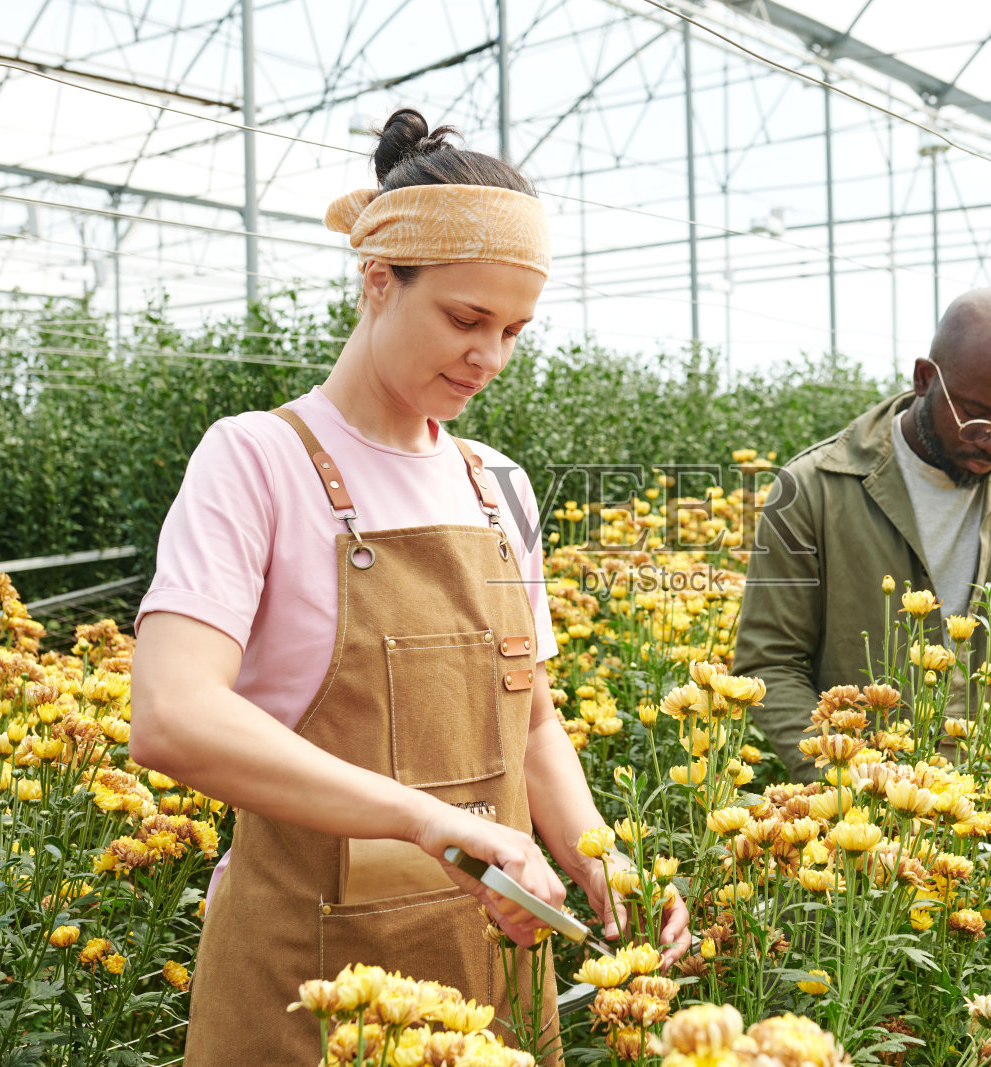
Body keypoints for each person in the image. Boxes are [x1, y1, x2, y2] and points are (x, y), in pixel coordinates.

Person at [129, 109, 688, 1066]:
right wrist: (423, 818)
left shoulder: (496, 484)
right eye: (466, 319)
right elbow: (172, 715)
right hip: (310, 980)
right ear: (378, 282)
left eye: (514, 329)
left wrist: (599, 855)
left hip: (494, 964)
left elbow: (534, 722)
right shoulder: (257, 459)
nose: (491, 357)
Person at [734, 287, 991, 782]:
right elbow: (769, 665)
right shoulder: (813, 491)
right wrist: (847, 780)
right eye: (978, 418)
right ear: (926, 378)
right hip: (852, 821)